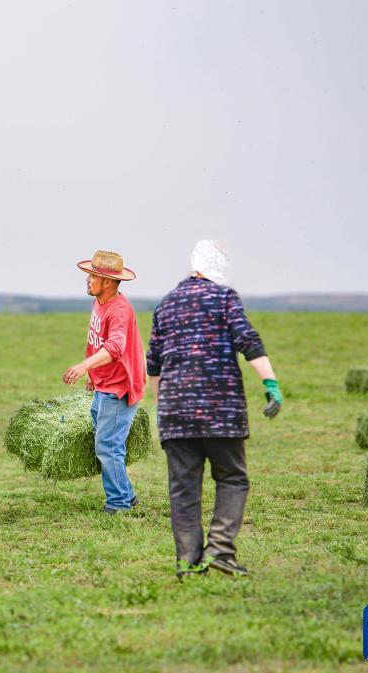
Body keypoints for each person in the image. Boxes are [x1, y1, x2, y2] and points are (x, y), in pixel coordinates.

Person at [146, 240, 283, 578]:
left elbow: (153, 363)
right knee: (232, 478)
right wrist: (270, 384)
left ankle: (188, 562)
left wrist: (162, 407)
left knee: (183, 489)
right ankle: (220, 550)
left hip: (175, 414)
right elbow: (248, 340)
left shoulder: (165, 304)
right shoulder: (224, 297)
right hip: (221, 412)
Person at [63, 250, 146, 514]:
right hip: (105, 382)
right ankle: (127, 495)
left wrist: (84, 366)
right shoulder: (100, 302)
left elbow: (115, 347)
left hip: (119, 386)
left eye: (92, 276)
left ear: (107, 281)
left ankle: (119, 503)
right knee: (106, 442)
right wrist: (94, 375)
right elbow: (99, 343)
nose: (87, 280)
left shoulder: (119, 310)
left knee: (108, 446)